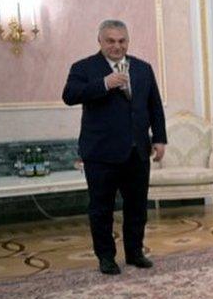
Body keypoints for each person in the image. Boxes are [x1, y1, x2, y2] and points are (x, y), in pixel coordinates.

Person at [62, 20, 167, 275]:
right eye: (111, 41)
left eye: (122, 41)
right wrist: (104, 84)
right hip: (100, 153)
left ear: (127, 42)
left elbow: (154, 105)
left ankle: (134, 252)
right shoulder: (84, 68)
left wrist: (160, 138)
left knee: (137, 206)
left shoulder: (142, 68)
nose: (116, 46)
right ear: (100, 41)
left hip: (137, 151)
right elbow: (69, 96)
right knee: (101, 209)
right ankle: (106, 257)